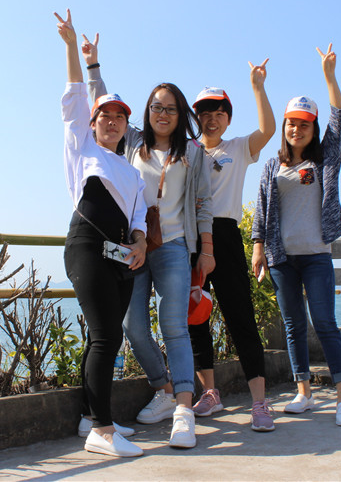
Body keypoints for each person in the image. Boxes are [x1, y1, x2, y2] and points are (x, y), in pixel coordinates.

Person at [83, 34, 215, 449]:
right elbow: (104, 107)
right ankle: (163, 388)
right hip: (134, 246)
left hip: (174, 245)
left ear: (180, 114)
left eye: (170, 108)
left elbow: (203, 205)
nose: (162, 113)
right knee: (133, 327)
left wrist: (206, 251)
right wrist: (93, 66)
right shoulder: (133, 142)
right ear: (148, 111)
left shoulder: (193, 153)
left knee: (174, 326)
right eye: (156, 106)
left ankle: (183, 412)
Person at [56, 9, 148, 457]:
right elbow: (75, 97)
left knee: (103, 338)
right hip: (88, 248)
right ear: (93, 123)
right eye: (104, 115)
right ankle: (103, 433)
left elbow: (139, 216)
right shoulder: (82, 148)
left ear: (125, 126)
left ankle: (90, 418)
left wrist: (141, 242)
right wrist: (72, 48)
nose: (111, 121)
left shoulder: (132, 172)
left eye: (119, 117)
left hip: (121, 258)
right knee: (107, 336)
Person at [251, 43, 341, 427]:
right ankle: (304, 392)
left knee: (325, 323)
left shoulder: (324, 159)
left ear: (313, 129)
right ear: (284, 126)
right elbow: (261, 209)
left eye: (304, 124)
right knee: (293, 326)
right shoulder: (272, 166)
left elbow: (339, 121)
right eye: (291, 123)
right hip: (282, 259)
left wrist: (330, 78)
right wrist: (258, 249)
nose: (296, 129)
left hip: (316, 255)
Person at [187, 58, 277, 432]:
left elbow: (268, 129)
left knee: (240, 317)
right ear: (196, 117)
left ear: (227, 118)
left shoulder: (238, 148)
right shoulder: (187, 151)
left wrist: (258, 87)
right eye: (205, 113)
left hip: (224, 235)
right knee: (194, 317)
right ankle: (210, 393)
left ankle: (259, 402)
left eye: (219, 113)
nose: (212, 119)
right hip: (191, 239)